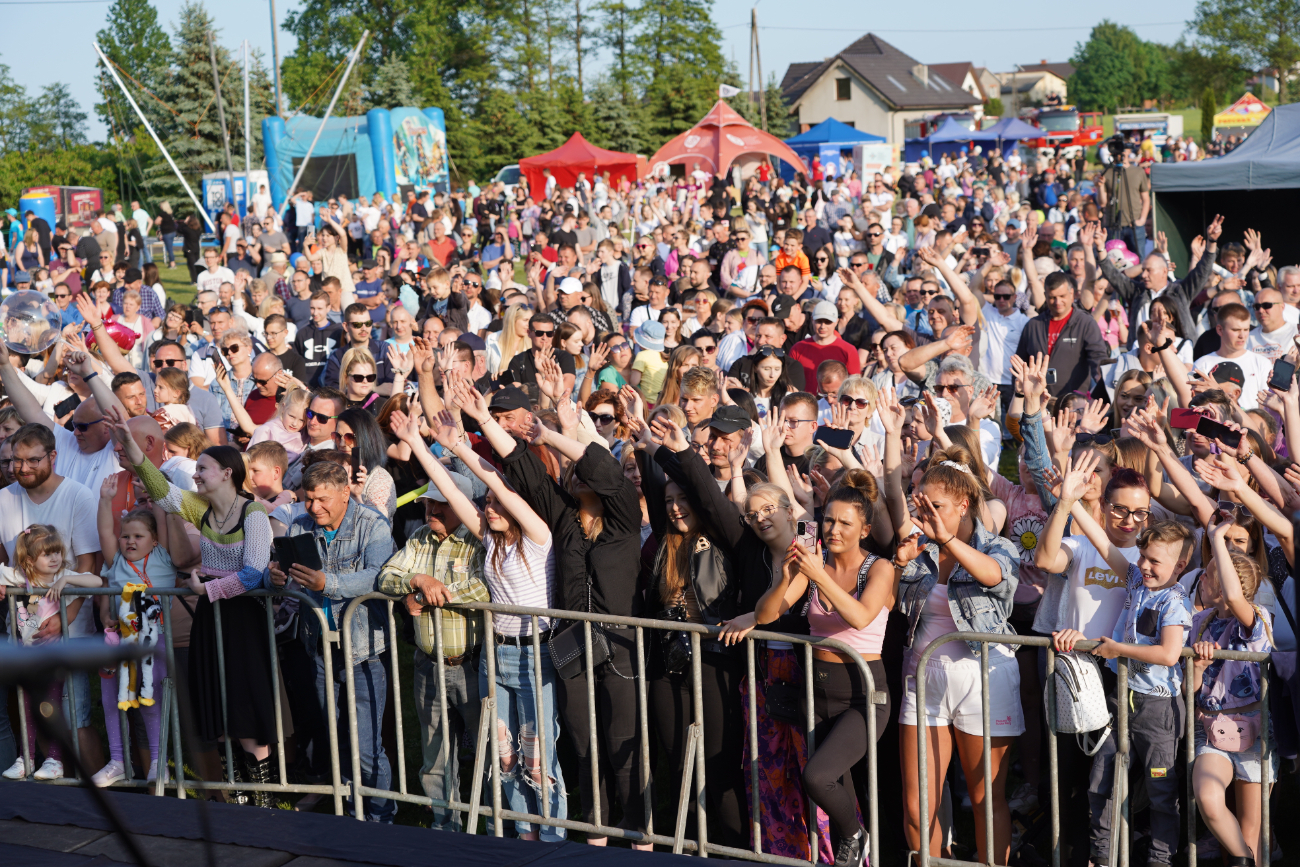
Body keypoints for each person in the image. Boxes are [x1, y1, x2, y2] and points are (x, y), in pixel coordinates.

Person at [455, 379, 651, 849]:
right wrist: (483, 421)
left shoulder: (623, 515)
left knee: (625, 746)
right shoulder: (562, 517)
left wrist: (560, 433)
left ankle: (641, 840)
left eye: (586, 465)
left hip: (621, 646)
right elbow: (519, 471)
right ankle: (597, 835)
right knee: (583, 744)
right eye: (576, 470)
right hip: (571, 648)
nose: (582, 476)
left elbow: (604, 470)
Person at [400, 405, 568, 840]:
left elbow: (500, 486)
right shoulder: (489, 541)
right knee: (504, 755)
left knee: (537, 757)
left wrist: (464, 445)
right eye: (487, 504)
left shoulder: (538, 539)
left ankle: (551, 841)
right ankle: (522, 836)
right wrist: (419, 443)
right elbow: (453, 494)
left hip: (536, 657)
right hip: (497, 656)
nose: (489, 508)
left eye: (497, 503)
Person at [106, 411, 279, 806]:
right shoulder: (200, 509)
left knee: (245, 707)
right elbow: (160, 489)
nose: (196, 474)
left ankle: (265, 799)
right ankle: (237, 796)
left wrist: (209, 589)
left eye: (203, 468)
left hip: (241, 621)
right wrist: (132, 448)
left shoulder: (253, 513)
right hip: (210, 618)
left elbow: (253, 574)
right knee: (217, 709)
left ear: (228, 474)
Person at [1049, 451, 1193, 867]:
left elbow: (1168, 654)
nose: (1144, 567)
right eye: (1143, 558)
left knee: (1161, 792)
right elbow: (1101, 540)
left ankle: (1160, 859)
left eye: (1155, 562)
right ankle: (1102, 856)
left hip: (1158, 711)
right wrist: (1072, 500)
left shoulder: (1176, 601)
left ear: (1180, 566)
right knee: (1102, 782)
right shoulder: (1133, 577)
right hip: (1119, 702)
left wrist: (1116, 650)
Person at [892, 446, 1021, 867]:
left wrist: (946, 538)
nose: (928, 514)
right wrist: (898, 563)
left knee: (986, 798)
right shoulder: (919, 548)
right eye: (922, 505)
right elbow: (886, 608)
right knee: (917, 806)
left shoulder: (998, 547)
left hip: (985, 677)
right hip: (924, 678)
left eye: (938, 506)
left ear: (964, 504)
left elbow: (994, 577)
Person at [270, 461, 396, 822]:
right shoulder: (298, 525)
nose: (314, 507)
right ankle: (351, 813)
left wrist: (329, 584)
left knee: (367, 747)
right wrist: (275, 576)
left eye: (322, 499)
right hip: (319, 649)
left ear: (345, 493)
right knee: (339, 739)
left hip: (363, 652)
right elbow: (280, 575)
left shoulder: (374, 524)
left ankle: (381, 819)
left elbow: (378, 577)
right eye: (309, 500)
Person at [377, 465, 489, 831]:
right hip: (428, 665)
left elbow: (483, 588)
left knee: (490, 754)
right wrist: (418, 581)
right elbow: (385, 576)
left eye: (441, 505)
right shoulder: (419, 538)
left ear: (463, 505)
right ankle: (446, 830)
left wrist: (432, 596)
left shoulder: (478, 539)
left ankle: (494, 830)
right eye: (428, 504)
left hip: (473, 665)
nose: (432, 511)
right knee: (436, 755)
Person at [90, 474, 192, 787]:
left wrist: (157, 495)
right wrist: (106, 500)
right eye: (126, 536)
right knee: (112, 703)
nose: (130, 541)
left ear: (154, 540)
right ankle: (118, 760)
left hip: (154, 641)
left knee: (151, 700)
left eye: (138, 536)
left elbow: (161, 519)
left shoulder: (162, 556)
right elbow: (105, 531)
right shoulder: (117, 561)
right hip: (118, 641)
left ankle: (159, 764)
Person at [1189, 520, 1275, 867]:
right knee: (1210, 801)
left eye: (1208, 575)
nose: (1202, 581)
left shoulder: (1256, 618)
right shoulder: (1200, 622)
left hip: (1256, 736)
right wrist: (1194, 668)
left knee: (1250, 828)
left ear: (1224, 584)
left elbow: (1236, 597)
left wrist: (1214, 540)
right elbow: (1188, 690)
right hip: (1211, 731)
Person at [0, 524, 102, 781]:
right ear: (31, 560)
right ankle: (27, 758)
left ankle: (55, 760)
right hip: (26, 658)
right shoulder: (20, 576)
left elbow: (97, 581)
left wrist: (68, 579)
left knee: (51, 708)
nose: (55, 558)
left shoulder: (62, 576)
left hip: (52, 657)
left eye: (57, 552)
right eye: (48, 554)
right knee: (26, 710)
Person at [789, 301, 862, 388]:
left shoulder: (848, 350)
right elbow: (790, 381)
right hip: (805, 400)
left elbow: (854, 385)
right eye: (819, 321)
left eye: (828, 322)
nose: (822, 326)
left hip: (836, 400)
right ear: (812, 320)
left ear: (836, 322)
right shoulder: (798, 349)